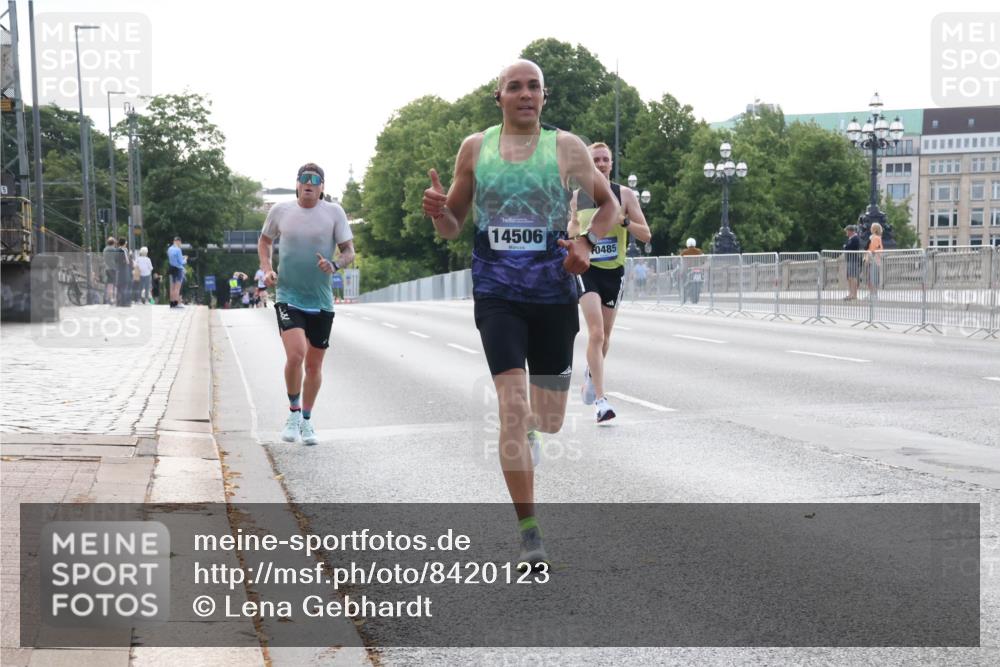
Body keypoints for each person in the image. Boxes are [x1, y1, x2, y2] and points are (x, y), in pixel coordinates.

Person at [422, 59, 618, 568]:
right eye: (515, 87)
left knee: (547, 422)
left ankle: (532, 426)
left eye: (534, 86)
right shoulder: (475, 148)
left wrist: (585, 241)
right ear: (500, 97)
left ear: (544, 97)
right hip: (497, 294)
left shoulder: (568, 148)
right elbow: (453, 224)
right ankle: (530, 532)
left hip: (553, 295)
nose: (525, 94)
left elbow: (609, 206)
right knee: (511, 408)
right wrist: (438, 209)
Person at [258, 163, 355, 446]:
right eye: (304, 179)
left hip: (321, 300)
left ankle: (307, 421)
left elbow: (349, 250)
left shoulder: (334, 212)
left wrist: (335, 264)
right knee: (296, 355)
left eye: (315, 180)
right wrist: (266, 268)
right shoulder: (281, 211)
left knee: (313, 366)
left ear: (323, 186)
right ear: (297, 184)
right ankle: (293, 412)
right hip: (288, 294)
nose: (309, 184)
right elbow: (264, 241)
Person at [567, 142, 651, 423]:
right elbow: (571, 229)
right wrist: (576, 232)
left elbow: (646, 235)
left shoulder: (624, 194)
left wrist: (624, 221)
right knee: (596, 333)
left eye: (605, 160)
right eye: (596, 160)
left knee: (606, 337)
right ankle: (601, 402)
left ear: (611, 164)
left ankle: (592, 375)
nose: (601, 164)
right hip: (587, 270)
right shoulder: (578, 197)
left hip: (613, 273)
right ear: (587, 165)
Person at [680, 237, 704, 304]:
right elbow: (703, 260)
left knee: (683, 281)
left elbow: (681, 261)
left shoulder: (685, 252)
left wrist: (681, 271)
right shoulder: (699, 251)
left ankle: (685, 293)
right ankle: (699, 288)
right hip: (698, 269)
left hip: (688, 269)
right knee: (701, 280)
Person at [842, 224, 861, 300]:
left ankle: (854, 294)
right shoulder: (851, 239)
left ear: (850, 231)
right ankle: (851, 293)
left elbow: (848, 247)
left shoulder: (855, 238)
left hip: (853, 260)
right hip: (850, 260)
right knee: (850, 277)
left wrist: (845, 247)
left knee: (853, 277)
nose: (846, 233)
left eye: (847, 231)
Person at [167, 236, 187, 308]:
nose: (180, 244)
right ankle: (176, 303)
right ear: (178, 241)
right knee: (177, 287)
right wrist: (185, 259)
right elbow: (181, 262)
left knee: (172, 287)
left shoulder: (169, 249)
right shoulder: (178, 250)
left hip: (172, 269)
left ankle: (172, 303)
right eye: (180, 242)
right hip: (178, 269)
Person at [115, 237, 133, 308]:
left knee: (122, 286)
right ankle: (123, 302)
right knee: (123, 286)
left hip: (122, 269)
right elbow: (126, 261)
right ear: (124, 243)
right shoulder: (121, 250)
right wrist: (128, 258)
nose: (126, 243)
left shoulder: (121, 250)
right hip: (123, 269)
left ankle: (121, 301)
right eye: (126, 242)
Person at [867, 222, 884, 295]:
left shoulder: (875, 238)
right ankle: (873, 293)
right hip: (875, 259)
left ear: (874, 229)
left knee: (872, 277)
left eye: (871, 227)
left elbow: (874, 248)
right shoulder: (877, 237)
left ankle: (873, 294)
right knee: (873, 277)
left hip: (874, 259)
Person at [102, 237, 118, 304]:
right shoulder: (114, 250)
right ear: (113, 243)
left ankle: (106, 299)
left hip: (106, 268)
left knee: (108, 284)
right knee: (113, 284)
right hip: (113, 268)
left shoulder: (105, 249)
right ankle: (112, 299)